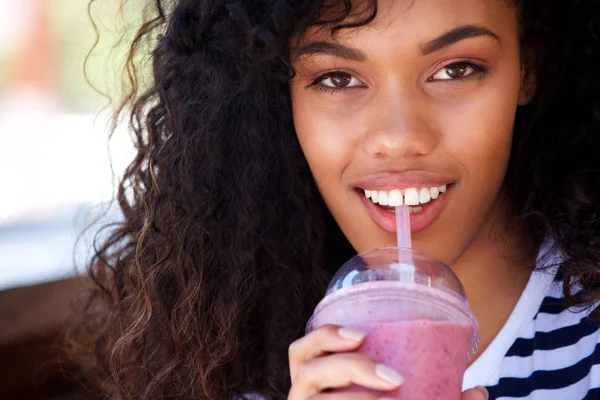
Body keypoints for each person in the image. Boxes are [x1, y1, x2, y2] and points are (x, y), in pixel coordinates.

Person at [64, 0, 600, 399]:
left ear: (528, 68)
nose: (397, 136)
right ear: (278, 97)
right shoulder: (236, 362)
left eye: (455, 69)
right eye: (338, 77)